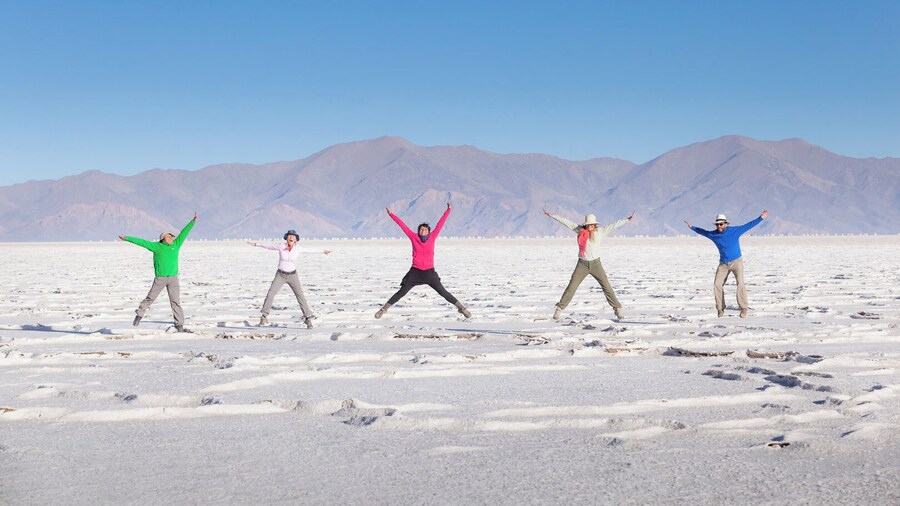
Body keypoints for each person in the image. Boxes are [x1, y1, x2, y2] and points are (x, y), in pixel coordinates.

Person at [375, 202, 471, 319]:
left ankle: (462, 308)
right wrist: (391, 215)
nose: (423, 231)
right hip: (415, 272)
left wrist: (448, 210)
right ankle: (383, 309)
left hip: (429, 273)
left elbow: (441, 223)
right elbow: (402, 225)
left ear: (429, 231)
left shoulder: (433, 236)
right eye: (421, 229)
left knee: (443, 292)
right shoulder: (413, 237)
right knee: (402, 292)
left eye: (425, 230)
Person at [545, 209, 634, 321]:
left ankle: (617, 308)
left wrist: (627, 220)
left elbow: (614, 225)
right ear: (586, 225)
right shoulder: (580, 231)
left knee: (606, 286)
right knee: (572, 287)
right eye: (588, 225)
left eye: (592, 224)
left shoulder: (601, 231)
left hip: (596, 264)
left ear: (595, 224)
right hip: (582, 264)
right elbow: (567, 222)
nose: (590, 226)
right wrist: (552, 216)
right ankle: (559, 309)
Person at [119, 212, 197, 332]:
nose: (172, 238)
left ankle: (179, 325)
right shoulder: (156, 247)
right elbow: (142, 242)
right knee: (150, 298)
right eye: (169, 236)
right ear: (163, 239)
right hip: (160, 278)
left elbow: (184, 233)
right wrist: (128, 238)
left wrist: (192, 222)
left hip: (173, 278)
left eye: (172, 236)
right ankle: (139, 314)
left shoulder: (176, 245)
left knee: (175, 301)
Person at [684, 210, 768, 317]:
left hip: (737, 261)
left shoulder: (735, 231)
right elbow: (703, 232)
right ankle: (720, 308)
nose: (719, 226)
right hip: (723, 263)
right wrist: (692, 227)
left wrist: (761, 218)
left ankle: (743, 308)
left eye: (721, 224)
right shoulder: (713, 234)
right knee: (717, 284)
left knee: (740, 283)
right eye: (717, 224)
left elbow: (748, 226)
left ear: (726, 224)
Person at [249, 229, 331, 328]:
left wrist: (323, 251)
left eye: (293, 236)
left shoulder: (298, 248)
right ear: (286, 238)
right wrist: (257, 244)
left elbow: (310, 250)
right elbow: (269, 245)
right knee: (271, 293)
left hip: (293, 276)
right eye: (289, 236)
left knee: (300, 296)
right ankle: (264, 317)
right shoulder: (281, 246)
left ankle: (308, 318)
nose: (291, 237)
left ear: (296, 239)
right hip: (280, 275)